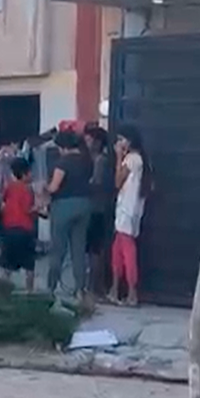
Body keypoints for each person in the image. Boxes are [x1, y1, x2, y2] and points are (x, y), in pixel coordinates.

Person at [44, 130, 93, 301]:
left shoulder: (63, 162)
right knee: (78, 250)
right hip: (85, 205)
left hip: (64, 206)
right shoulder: (87, 161)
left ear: (63, 147)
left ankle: (51, 287)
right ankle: (80, 290)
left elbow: (54, 187)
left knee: (58, 249)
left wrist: (43, 187)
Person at [110, 125, 149, 306]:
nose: (119, 143)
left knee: (127, 253)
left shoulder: (132, 159)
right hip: (128, 211)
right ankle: (115, 290)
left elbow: (118, 181)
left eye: (121, 139)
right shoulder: (140, 160)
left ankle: (132, 294)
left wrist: (119, 157)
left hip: (126, 210)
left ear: (130, 141)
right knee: (117, 252)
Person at [84, 125, 115, 299]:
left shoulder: (100, 161)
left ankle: (95, 287)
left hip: (97, 209)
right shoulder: (94, 158)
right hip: (94, 208)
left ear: (96, 142)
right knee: (92, 250)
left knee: (95, 250)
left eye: (88, 139)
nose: (86, 142)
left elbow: (96, 183)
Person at [0, 157, 38, 292]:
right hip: (24, 230)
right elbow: (28, 209)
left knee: (7, 265)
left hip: (9, 229)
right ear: (25, 173)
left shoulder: (9, 187)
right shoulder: (27, 190)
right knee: (29, 265)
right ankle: (29, 292)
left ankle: (2, 291)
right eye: (30, 173)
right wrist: (39, 209)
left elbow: (3, 206)